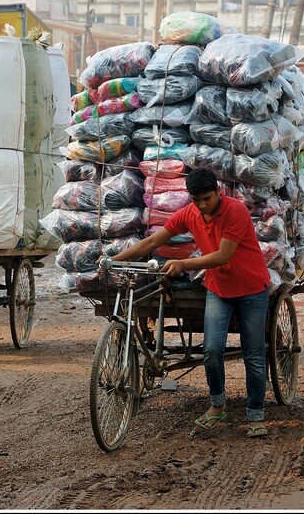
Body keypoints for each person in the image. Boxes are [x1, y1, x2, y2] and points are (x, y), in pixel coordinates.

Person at [106, 167, 271, 439]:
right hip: (218, 288)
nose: (203, 205)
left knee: (253, 353)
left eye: (207, 198)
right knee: (211, 350)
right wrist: (115, 261)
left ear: (219, 192)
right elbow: (153, 241)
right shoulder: (190, 213)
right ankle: (217, 405)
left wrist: (183, 263)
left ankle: (255, 414)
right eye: (197, 199)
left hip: (252, 288)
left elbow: (222, 256)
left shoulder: (236, 211)